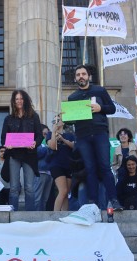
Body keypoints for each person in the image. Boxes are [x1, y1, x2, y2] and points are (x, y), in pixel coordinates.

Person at [68, 64, 123, 211]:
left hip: (100, 133)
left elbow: (112, 108)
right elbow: (69, 120)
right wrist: (64, 117)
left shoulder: (100, 90)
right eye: (78, 74)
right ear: (75, 78)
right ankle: (93, 202)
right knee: (90, 169)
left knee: (105, 167)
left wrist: (101, 108)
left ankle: (114, 200)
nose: (81, 76)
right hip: (83, 136)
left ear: (89, 77)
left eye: (83, 74)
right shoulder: (72, 97)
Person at [1, 90, 43, 211]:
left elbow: (39, 135)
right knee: (14, 187)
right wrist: (6, 144)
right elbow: (3, 137)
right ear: (13, 102)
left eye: (21, 98)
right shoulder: (8, 119)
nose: (19, 101)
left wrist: (35, 143)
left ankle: (30, 214)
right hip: (14, 155)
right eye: (16, 99)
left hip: (29, 155)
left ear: (25, 100)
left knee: (29, 187)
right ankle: (13, 214)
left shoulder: (34, 116)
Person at [47, 116, 75, 211]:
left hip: (68, 165)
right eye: (53, 120)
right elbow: (52, 146)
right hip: (56, 165)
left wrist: (62, 139)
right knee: (62, 191)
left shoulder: (69, 135)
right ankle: (55, 214)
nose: (56, 122)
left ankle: (64, 214)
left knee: (66, 193)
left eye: (58, 120)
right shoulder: (50, 134)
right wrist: (54, 133)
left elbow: (74, 146)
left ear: (63, 123)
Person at [33, 124, 53, 211]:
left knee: (45, 199)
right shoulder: (36, 143)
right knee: (37, 198)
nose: (46, 136)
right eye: (44, 134)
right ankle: (35, 218)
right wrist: (46, 147)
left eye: (47, 134)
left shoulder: (48, 144)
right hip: (40, 172)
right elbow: (37, 154)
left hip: (49, 173)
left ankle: (42, 216)